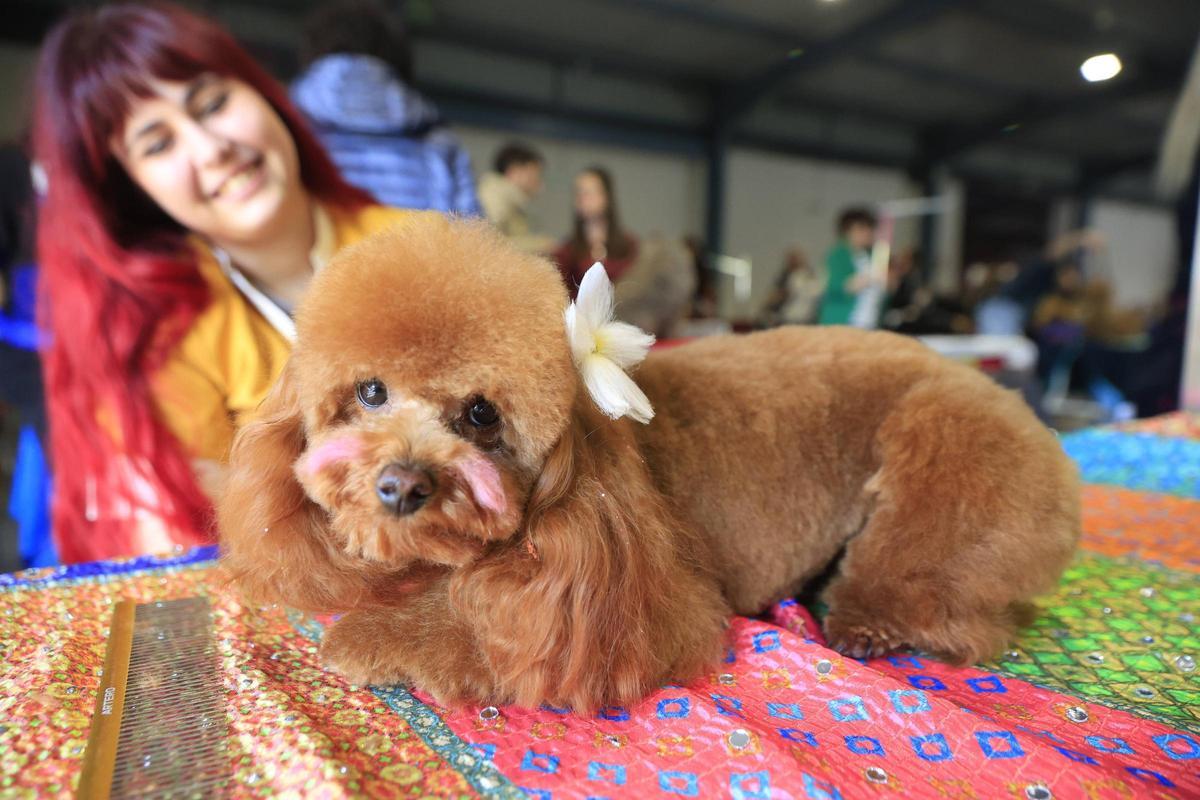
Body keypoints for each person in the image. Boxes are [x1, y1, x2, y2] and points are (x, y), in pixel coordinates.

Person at [34, 2, 414, 563]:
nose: (212, 149)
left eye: (212, 103)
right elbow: (221, 547)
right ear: (132, 190)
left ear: (262, 93)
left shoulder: (418, 244)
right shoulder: (162, 342)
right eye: (158, 144)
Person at [291, 0, 480, 215]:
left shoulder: (285, 127)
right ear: (400, 57)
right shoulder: (440, 141)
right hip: (422, 248)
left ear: (311, 52)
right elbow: (473, 235)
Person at [553, 167, 638, 297]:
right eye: (578, 193)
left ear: (606, 196)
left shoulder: (629, 245)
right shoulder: (567, 251)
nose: (582, 198)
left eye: (589, 192)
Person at [477, 142, 553, 253]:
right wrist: (540, 244)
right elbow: (489, 243)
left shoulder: (505, 199)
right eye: (534, 174)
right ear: (514, 171)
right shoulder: (493, 199)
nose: (539, 184)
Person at [817, 207, 884, 328]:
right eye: (861, 228)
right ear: (847, 231)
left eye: (869, 228)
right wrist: (852, 284)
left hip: (869, 322)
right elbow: (829, 287)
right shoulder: (836, 255)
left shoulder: (871, 257)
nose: (867, 232)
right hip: (842, 323)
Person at [761, 247, 823, 327]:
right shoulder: (784, 277)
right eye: (792, 259)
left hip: (806, 319)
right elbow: (774, 296)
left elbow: (817, 294)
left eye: (796, 258)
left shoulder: (808, 276)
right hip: (789, 318)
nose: (794, 261)